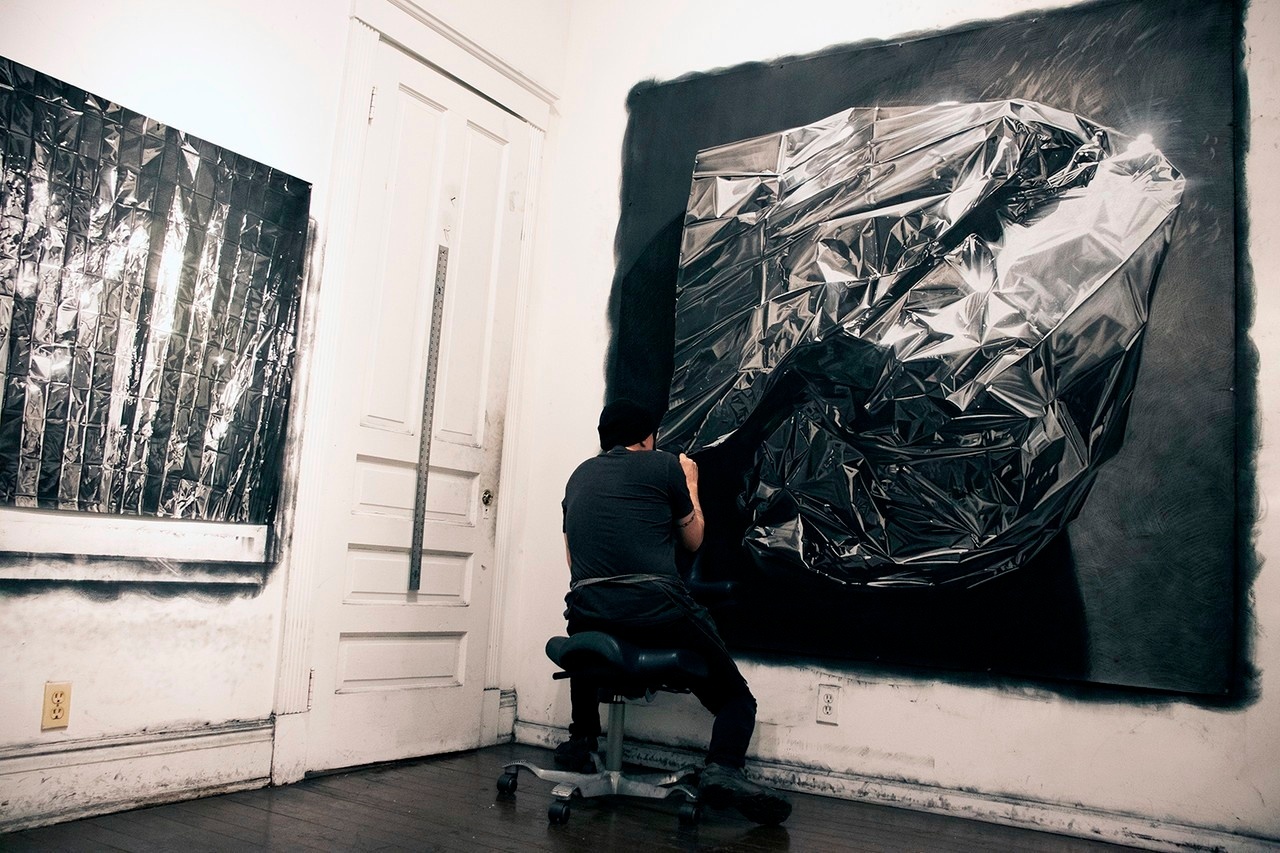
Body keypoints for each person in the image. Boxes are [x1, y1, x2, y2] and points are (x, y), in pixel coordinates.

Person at [557, 398, 792, 825]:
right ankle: (723, 768)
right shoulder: (665, 466)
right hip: (655, 610)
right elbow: (694, 541)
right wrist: (691, 483)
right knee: (737, 697)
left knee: (589, 633)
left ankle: (581, 741)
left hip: (587, 612)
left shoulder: (578, 477)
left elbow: (575, 564)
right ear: (647, 436)